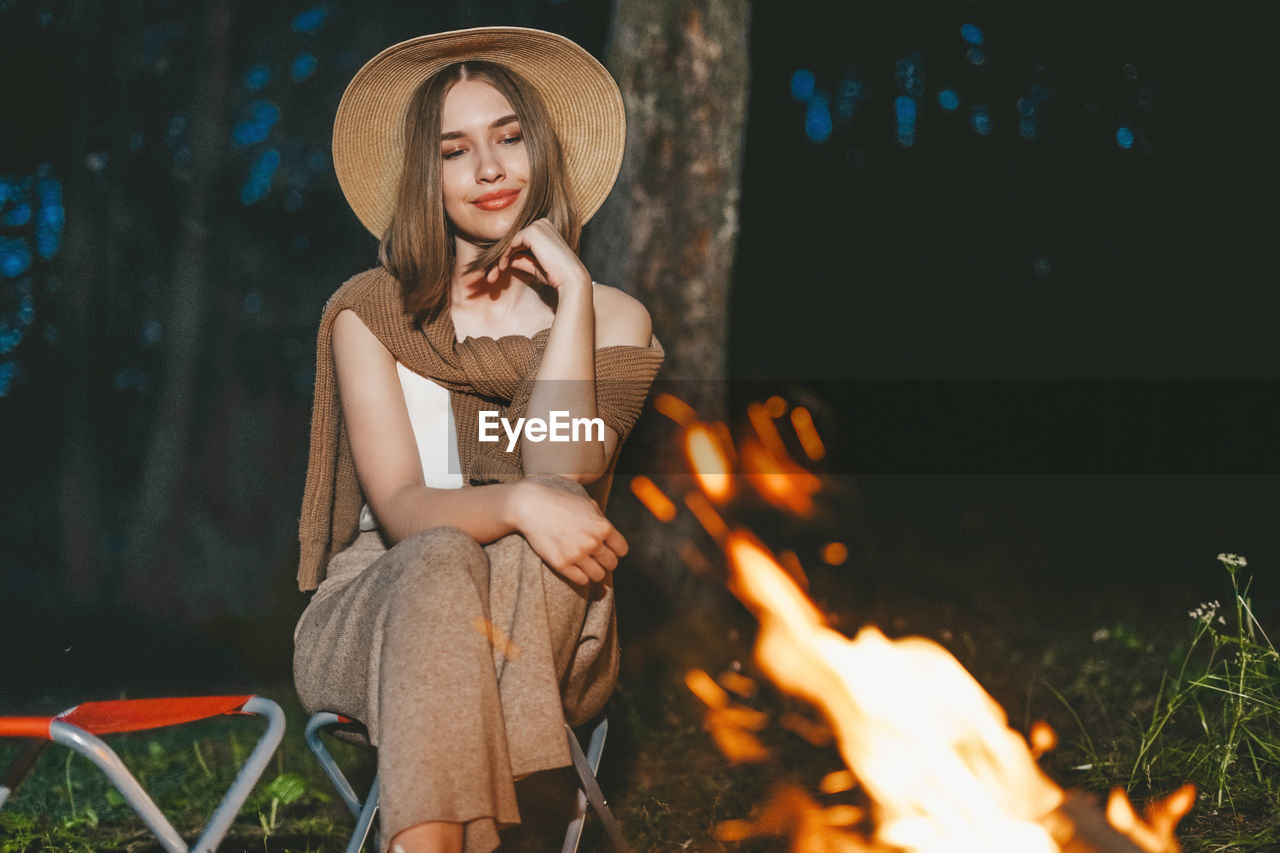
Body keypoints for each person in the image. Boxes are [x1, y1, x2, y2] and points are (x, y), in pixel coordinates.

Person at [291, 27, 665, 853]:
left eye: (509, 136)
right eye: (455, 150)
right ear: (427, 176)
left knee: (535, 543)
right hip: (378, 607)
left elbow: (563, 471)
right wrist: (524, 501)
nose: (489, 169)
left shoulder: (614, 317)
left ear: (543, 149)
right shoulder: (372, 314)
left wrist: (572, 299)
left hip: (549, 611)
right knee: (438, 554)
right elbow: (403, 509)